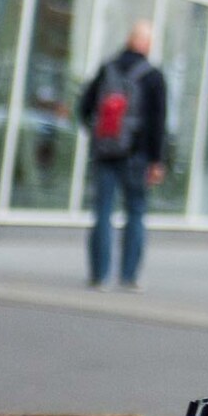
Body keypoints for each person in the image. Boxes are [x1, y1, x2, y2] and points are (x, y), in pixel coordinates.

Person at [78, 21, 167, 289]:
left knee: (103, 212)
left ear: (129, 40)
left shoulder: (108, 69)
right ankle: (128, 276)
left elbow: (84, 108)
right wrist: (156, 160)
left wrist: (100, 136)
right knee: (136, 212)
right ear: (147, 44)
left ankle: (99, 274)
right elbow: (158, 122)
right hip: (137, 156)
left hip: (106, 152)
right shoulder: (153, 76)